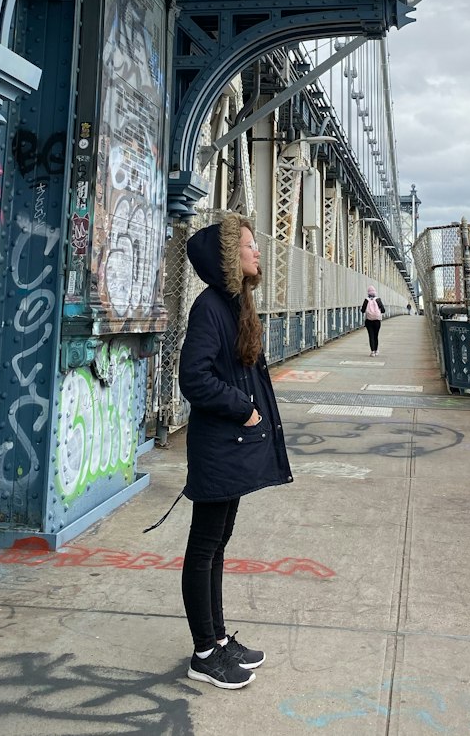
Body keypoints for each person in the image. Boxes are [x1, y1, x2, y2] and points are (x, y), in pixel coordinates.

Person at [177, 213, 292, 690]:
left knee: (218, 543)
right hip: (219, 445)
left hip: (231, 446)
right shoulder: (210, 307)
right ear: (230, 257)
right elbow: (194, 377)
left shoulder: (235, 304)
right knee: (204, 547)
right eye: (248, 245)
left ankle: (220, 639)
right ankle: (204, 652)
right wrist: (244, 409)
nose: (257, 251)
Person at [361, 285, 386, 356]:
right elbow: (383, 310)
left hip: (368, 321)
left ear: (368, 293)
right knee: (376, 336)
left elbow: (362, 311)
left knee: (371, 336)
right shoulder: (378, 299)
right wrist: (377, 312)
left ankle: (372, 351)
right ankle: (376, 350)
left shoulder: (366, 300)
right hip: (377, 321)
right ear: (375, 292)